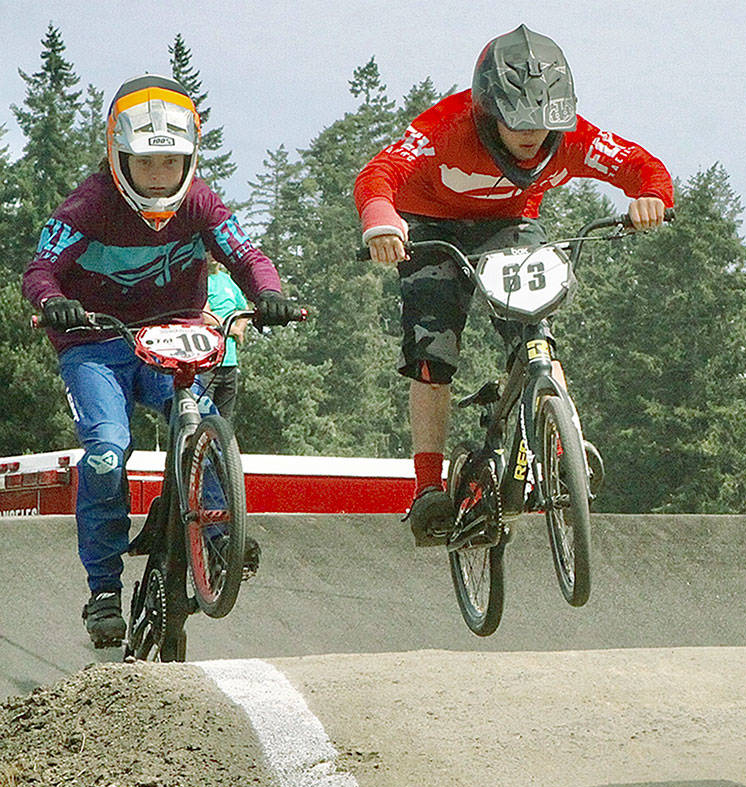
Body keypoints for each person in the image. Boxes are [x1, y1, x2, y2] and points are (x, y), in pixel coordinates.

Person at [355, 24, 673, 544]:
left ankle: (566, 448)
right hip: (426, 222)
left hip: (509, 225)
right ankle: (428, 488)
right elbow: (379, 173)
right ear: (487, 109)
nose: (530, 135)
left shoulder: (573, 138)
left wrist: (652, 197)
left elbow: (641, 166)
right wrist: (381, 220)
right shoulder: (446, 126)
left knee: (535, 327)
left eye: (543, 123)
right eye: (515, 120)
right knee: (432, 352)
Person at [22, 74, 298, 648]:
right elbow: (39, 271)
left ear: (190, 160)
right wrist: (54, 303)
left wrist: (267, 291)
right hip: (95, 343)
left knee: (195, 421)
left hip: (172, 335)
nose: (158, 176)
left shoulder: (200, 202)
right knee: (105, 455)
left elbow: (247, 254)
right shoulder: (90, 204)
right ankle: (103, 590)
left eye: (170, 163)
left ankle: (217, 530)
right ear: (116, 155)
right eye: (145, 163)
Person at [201, 253, 250, 421]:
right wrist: (233, 330)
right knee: (203, 419)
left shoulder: (228, 281)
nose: (212, 256)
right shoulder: (199, 280)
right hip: (207, 363)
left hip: (229, 363)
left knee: (225, 422)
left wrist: (239, 329)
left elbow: (243, 310)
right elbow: (205, 315)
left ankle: (223, 449)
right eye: (208, 251)